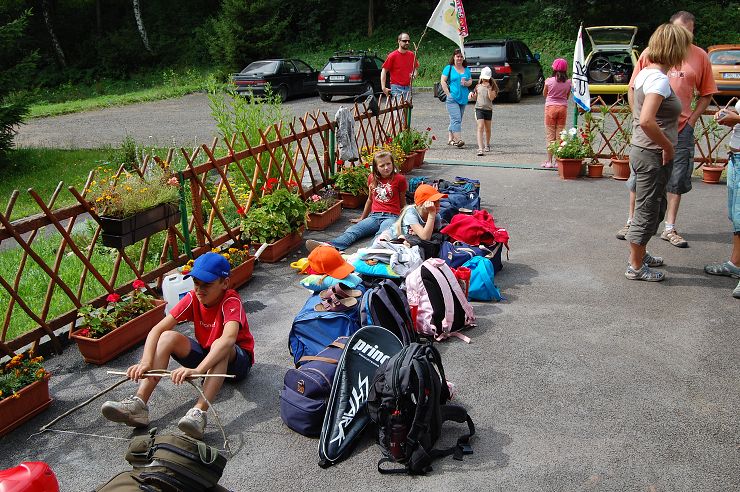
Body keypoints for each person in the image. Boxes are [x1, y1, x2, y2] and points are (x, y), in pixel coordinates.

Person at [101, 252, 254, 439]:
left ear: (225, 283)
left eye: (207, 284)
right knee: (167, 337)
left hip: (236, 362)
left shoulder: (230, 301)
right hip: (208, 358)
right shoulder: (193, 298)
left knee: (221, 345)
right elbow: (157, 330)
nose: (199, 290)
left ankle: (199, 412)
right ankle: (139, 403)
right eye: (196, 283)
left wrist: (198, 370)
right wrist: (146, 362)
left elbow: (229, 339)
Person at [617, 11, 717, 246]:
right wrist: (647, 127)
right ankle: (635, 241)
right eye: (680, 32)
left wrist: (690, 122)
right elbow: (637, 101)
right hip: (651, 135)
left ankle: (665, 230)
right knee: (644, 190)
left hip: (677, 130)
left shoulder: (699, 56)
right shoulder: (654, 67)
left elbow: (707, 93)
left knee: (672, 183)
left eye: (688, 33)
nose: (684, 38)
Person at [624, 23, 692, 282]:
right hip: (652, 154)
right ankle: (635, 266)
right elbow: (646, 120)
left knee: (654, 206)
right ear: (674, 49)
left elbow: (638, 110)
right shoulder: (659, 80)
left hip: (646, 151)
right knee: (648, 210)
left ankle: (640, 254)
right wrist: (667, 146)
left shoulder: (646, 73)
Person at [307, 151, 407, 252]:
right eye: (382, 165)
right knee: (353, 230)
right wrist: (362, 218)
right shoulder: (372, 178)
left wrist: (404, 220)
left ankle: (369, 253)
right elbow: (370, 199)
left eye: (388, 164)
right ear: (376, 167)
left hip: (391, 216)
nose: (386, 168)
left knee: (382, 236)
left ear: (393, 163)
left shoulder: (400, 179)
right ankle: (330, 246)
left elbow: (403, 201)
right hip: (374, 216)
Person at [704, 103, 740, 298]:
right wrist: (730, 114)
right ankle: (735, 264)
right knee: (736, 217)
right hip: (736, 158)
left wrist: (737, 118)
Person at [542, 58, 572, 168]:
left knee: (550, 135)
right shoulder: (569, 82)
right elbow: (567, 96)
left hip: (550, 108)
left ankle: (549, 161)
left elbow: (544, 94)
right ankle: (557, 161)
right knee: (560, 135)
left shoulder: (549, 81)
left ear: (554, 69)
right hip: (563, 108)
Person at [441, 48, 473, 148]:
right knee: (456, 119)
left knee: (456, 119)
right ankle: (458, 140)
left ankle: (450, 139)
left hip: (463, 98)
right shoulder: (449, 68)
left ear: (463, 58)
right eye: (457, 56)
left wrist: (466, 83)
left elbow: (470, 81)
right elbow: (443, 81)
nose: (459, 58)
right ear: (454, 57)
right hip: (452, 98)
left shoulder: (466, 69)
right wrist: (448, 94)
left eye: (461, 57)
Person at [381, 32, 419, 100]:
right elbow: (384, 71)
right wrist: (383, 87)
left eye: (408, 41)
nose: (407, 43)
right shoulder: (392, 56)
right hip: (396, 88)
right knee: (399, 106)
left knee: (406, 106)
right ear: (399, 41)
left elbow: (415, 69)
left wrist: (414, 75)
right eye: (404, 41)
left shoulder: (411, 55)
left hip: (408, 87)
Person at [471, 66, 498, 156]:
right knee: (480, 126)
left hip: (488, 110)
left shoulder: (492, 87)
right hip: (479, 109)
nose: (485, 80)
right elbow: (475, 97)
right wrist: (472, 96)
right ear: (481, 78)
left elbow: (491, 98)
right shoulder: (478, 86)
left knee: (488, 129)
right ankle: (480, 148)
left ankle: (487, 144)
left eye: (487, 79)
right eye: (484, 79)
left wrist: (489, 89)